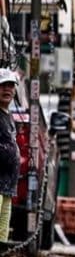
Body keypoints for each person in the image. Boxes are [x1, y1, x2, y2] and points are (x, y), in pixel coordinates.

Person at [0, 68, 20, 241]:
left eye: (10, 86)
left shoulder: (9, 117)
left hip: (7, 186)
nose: (7, 90)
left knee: (2, 232)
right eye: (3, 86)